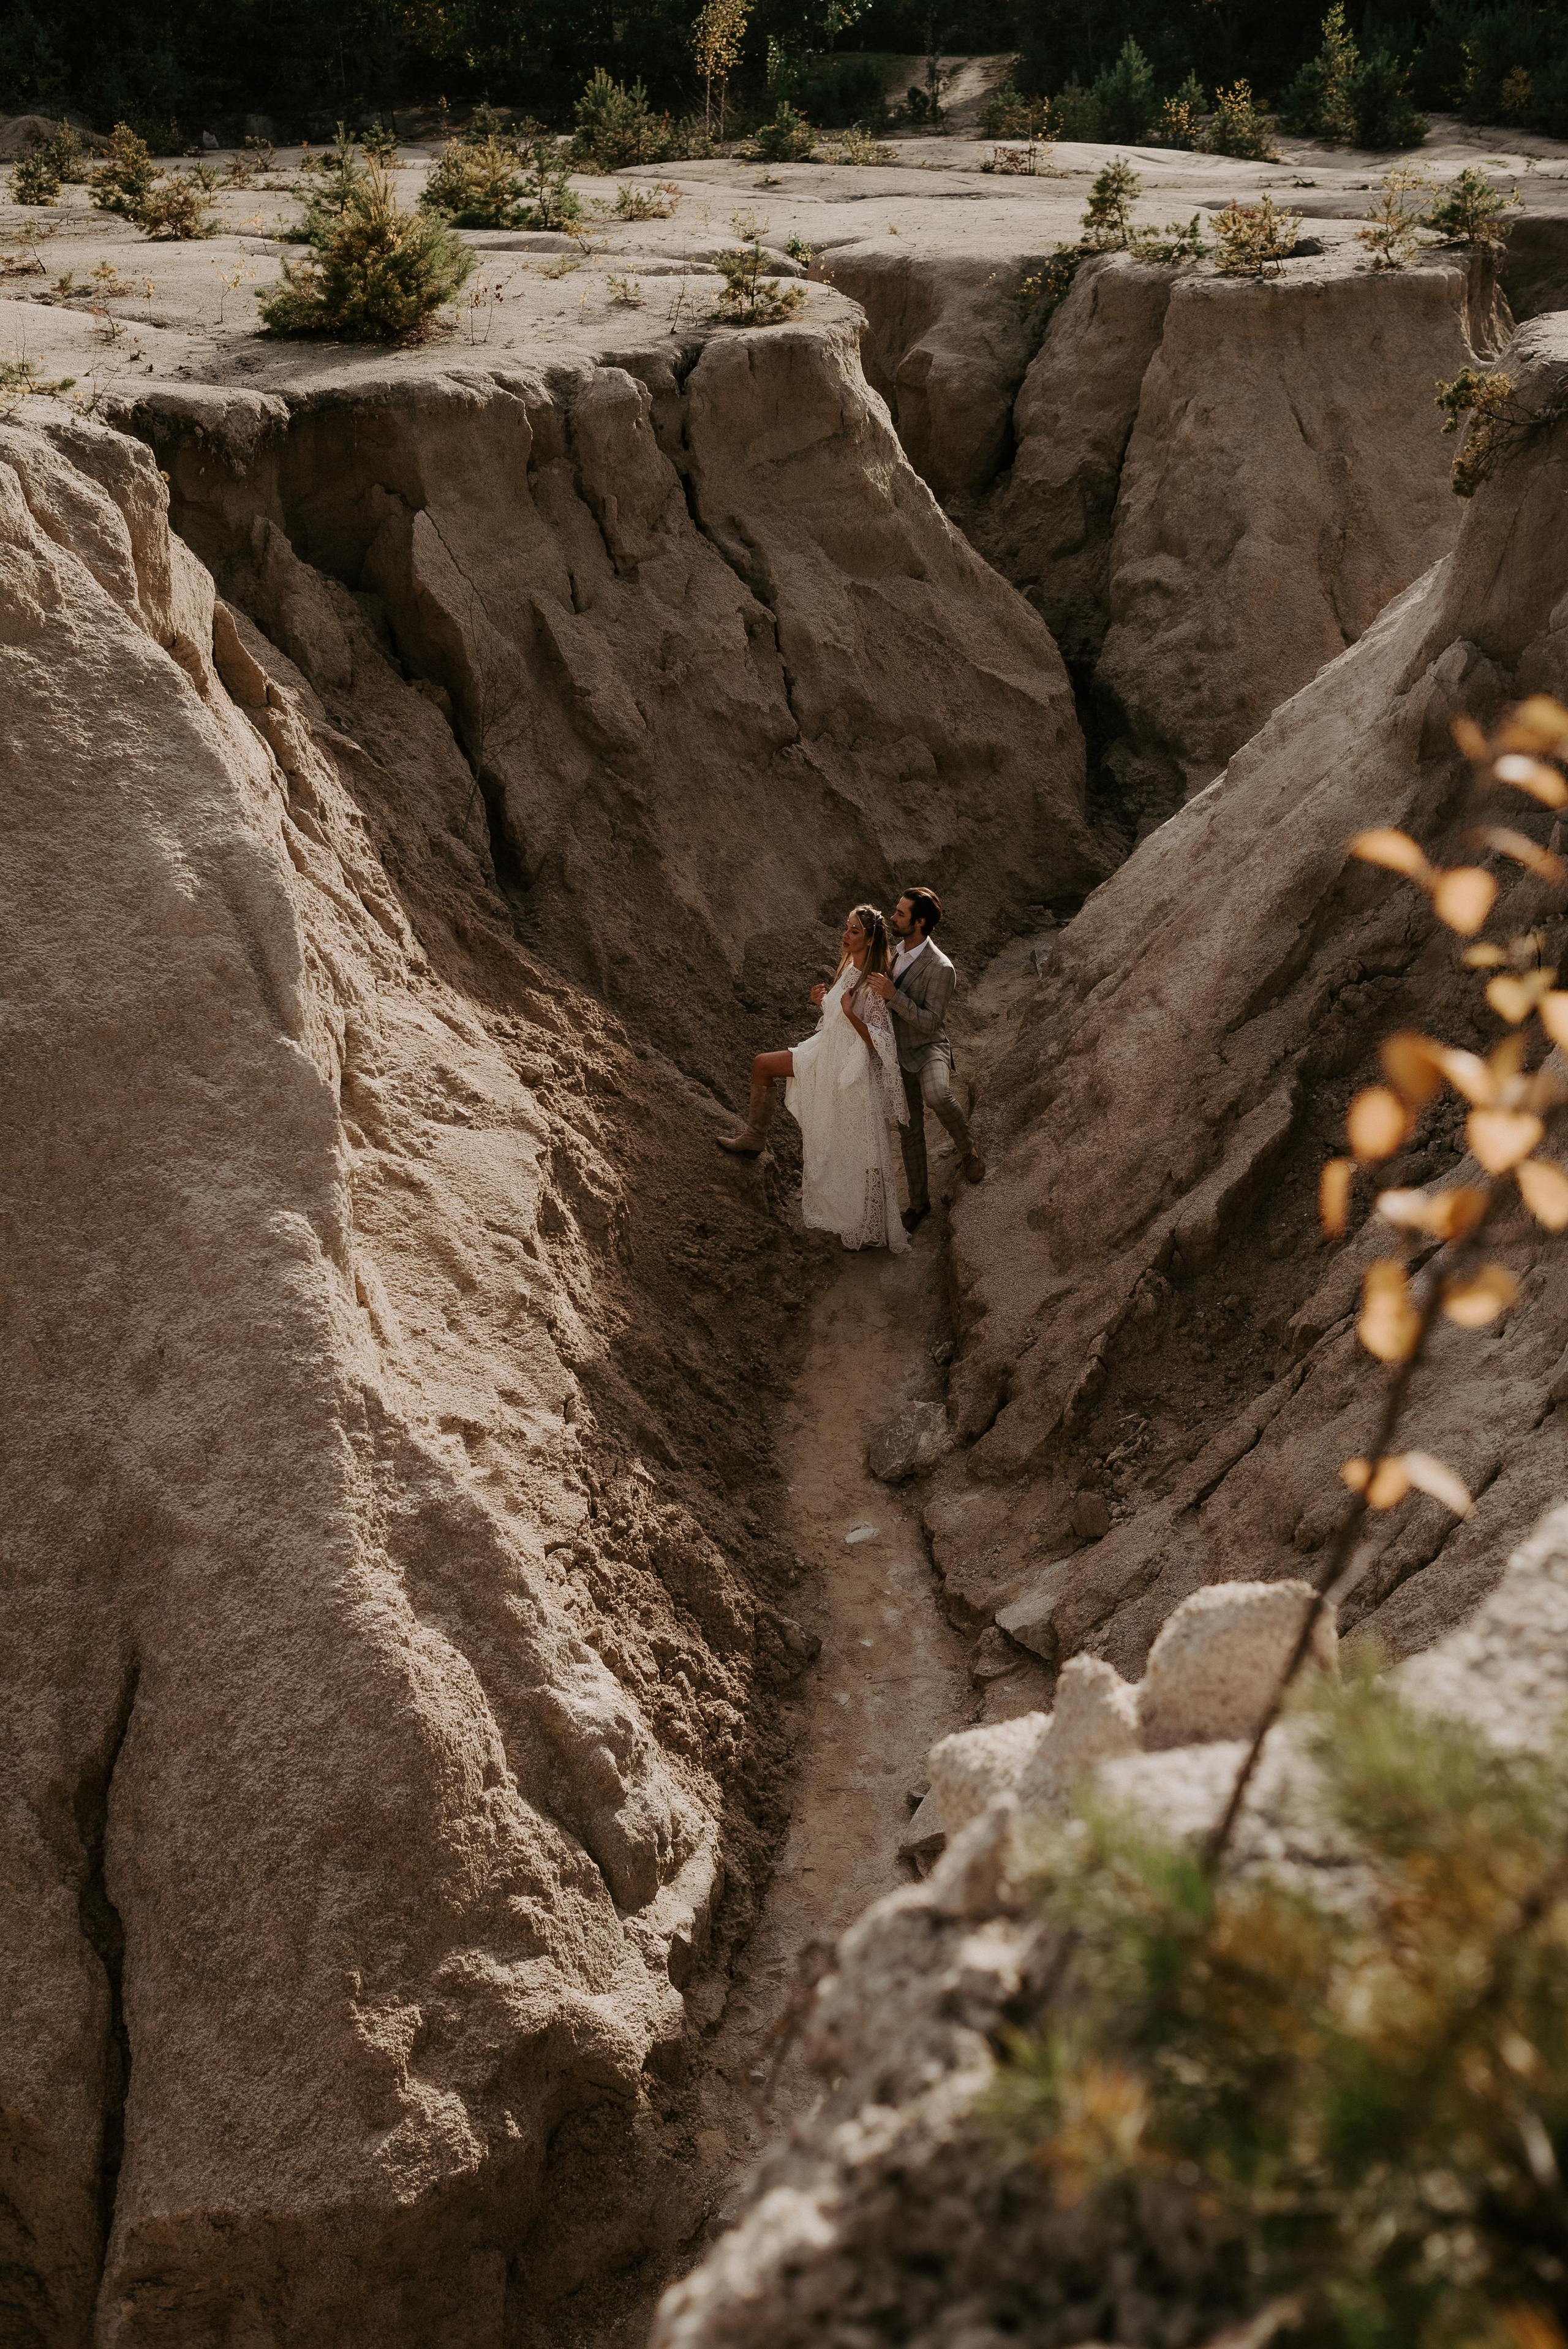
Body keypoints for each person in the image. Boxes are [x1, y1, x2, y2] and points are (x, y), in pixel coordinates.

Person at [716, 904, 910, 1254]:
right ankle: (754, 1137)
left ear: (869, 939)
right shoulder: (851, 968)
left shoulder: (874, 979)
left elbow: (879, 1042)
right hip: (825, 1051)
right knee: (763, 1065)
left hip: (848, 1066)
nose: (845, 935)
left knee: (857, 1145)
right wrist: (823, 1003)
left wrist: (850, 1013)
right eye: (846, 928)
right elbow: (839, 1018)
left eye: (853, 931)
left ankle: (868, 1226)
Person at [864, 886, 985, 1232]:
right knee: (909, 1128)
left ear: (919, 923)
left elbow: (932, 1021)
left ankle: (969, 1150)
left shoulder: (942, 968)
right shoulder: (892, 953)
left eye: (901, 914)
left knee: (937, 1095)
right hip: (894, 1052)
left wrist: (893, 995)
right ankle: (919, 1203)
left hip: (928, 1046)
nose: (893, 917)